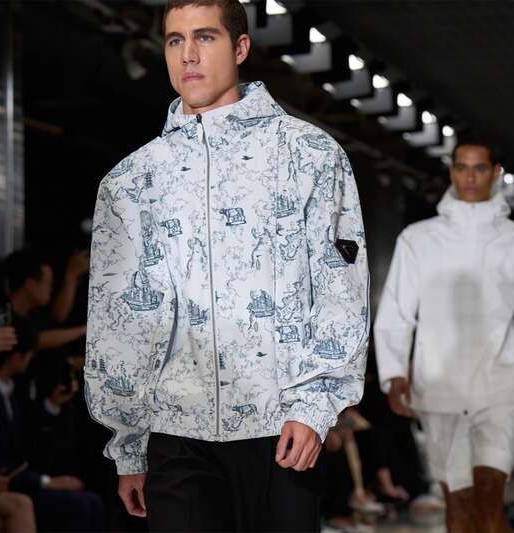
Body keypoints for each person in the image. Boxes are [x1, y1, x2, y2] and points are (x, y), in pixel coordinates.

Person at [84, 1, 369, 531]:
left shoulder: (310, 155)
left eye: (205, 37)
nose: (188, 55)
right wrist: (129, 446)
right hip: (175, 433)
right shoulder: (130, 182)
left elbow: (340, 290)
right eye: (175, 40)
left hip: (280, 426)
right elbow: (117, 321)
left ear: (240, 48)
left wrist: (314, 406)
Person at [374, 139, 514, 533]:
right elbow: (397, 312)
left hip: (501, 387)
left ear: (495, 173)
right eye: (461, 167)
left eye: (479, 168)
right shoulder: (418, 239)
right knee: (459, 503)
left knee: (489, 497)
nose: (470, 177)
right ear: (451, 171)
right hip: (439, 387)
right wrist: (394, 374)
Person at [0, 318, 104, 532]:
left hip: (14, 480)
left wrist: (52, 405)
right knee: (80, 505)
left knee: (91, 501)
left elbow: (29, 436)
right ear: (17, 356)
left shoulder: (10, 388)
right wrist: (45, 482)